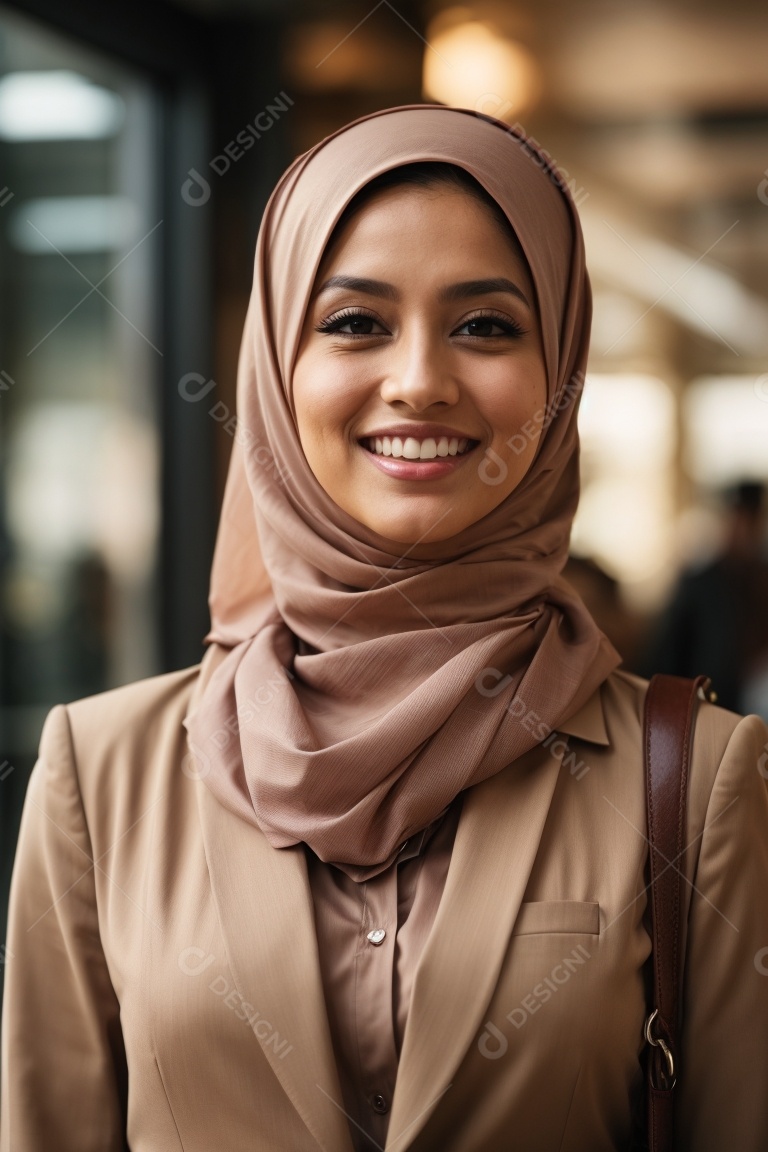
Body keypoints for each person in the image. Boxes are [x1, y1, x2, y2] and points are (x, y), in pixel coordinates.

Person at [2, 105, 767, 1152]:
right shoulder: (101, 774)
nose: (418, 379)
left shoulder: (697, 780)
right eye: (356, 322)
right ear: (275, 368)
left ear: (561, 376)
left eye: (487, 325)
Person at [642, 481, 768, 720]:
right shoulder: (698, 584)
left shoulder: (761, 581)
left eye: (751, 522)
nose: (744, 531)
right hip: (703, 712)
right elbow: (666, 654)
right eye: (738, 520)